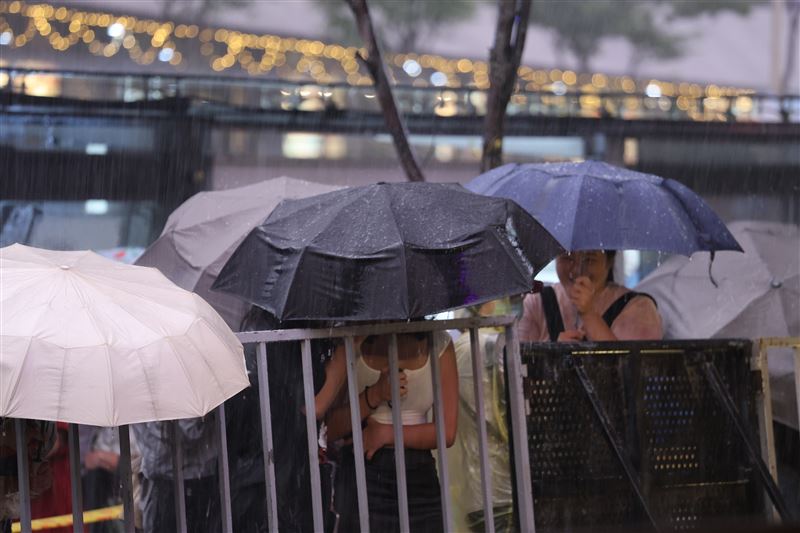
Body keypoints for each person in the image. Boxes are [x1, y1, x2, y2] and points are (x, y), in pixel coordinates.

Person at [326, 329, 458, 533]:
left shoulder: (439, 343)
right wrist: (375, 395)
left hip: (418, 474)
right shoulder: (351, 342)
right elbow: (330, 426)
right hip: (362, 470)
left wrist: (387, 434)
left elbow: (447, 432)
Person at [518, 250, 662, 343]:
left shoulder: (639, 308)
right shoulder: (536, 303)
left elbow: (632, 372)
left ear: (609, 262)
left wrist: (589, 314)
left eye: (589, 260)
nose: (576, 270)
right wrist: (552, 352)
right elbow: (514, 368)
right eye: (567, 258)